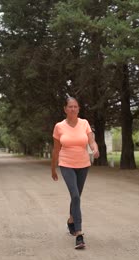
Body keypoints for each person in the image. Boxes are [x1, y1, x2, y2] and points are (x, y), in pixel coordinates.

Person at [51, 96, 99, 249]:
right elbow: (56, 149)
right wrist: (53, 168)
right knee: (76, 195)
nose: (73, 109)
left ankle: (71, 219)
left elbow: (91, 141)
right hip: (66, 164)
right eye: (70, 106)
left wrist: (95, 148)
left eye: (75, 106)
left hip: (83, 164)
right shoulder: (59, 126)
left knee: (76, 196)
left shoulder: (84, 123)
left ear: (78, 109)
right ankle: (79, 234)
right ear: (65, 109)